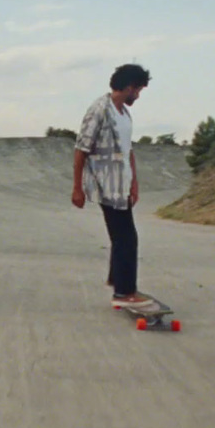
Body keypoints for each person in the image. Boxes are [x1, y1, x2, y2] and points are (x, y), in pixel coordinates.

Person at [72, 64, 156, 310]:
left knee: (122, 237)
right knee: (126, 238)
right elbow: (81, 149)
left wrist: (135, 183)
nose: (138, 96)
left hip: (123, 184)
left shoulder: (124, 114)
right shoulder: (99, 110)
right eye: (138, 90)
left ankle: (117, 281)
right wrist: (77, 187)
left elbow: (128, 150)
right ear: (129, 87)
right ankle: (124, 292)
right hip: (106, 183)